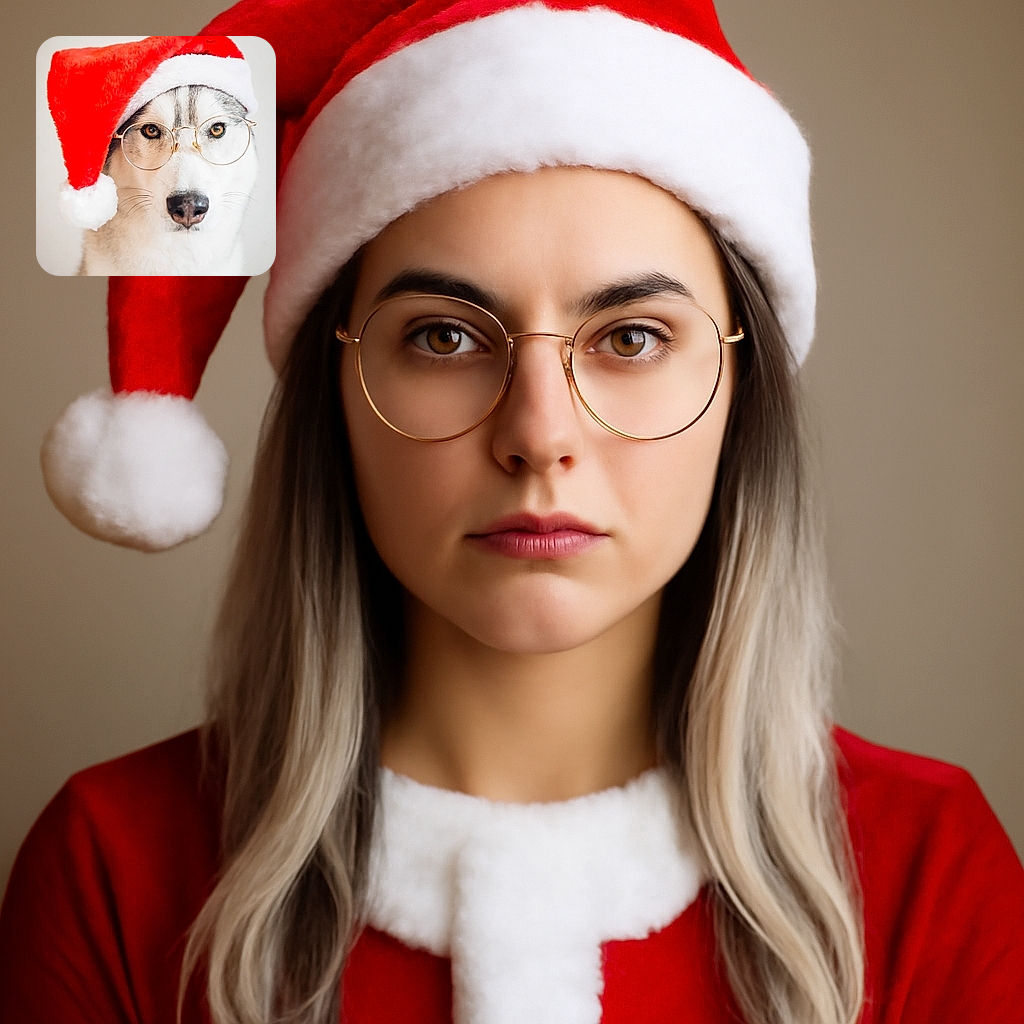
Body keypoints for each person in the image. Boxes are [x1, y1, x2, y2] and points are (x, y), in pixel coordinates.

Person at [3, 1, 1023, 1023]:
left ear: (740, 390)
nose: (539, 432)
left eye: (630, 338)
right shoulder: (114, 869)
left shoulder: (929, 875)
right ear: (338, 396)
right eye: (444, 337)